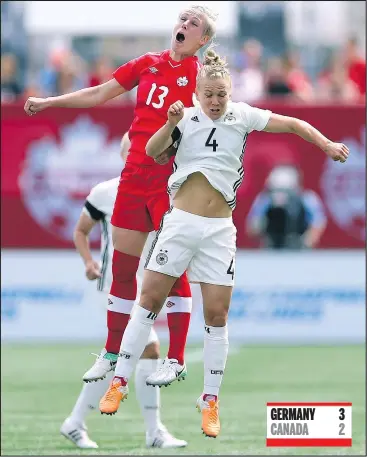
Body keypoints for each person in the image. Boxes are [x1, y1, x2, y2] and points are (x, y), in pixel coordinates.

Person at [98, 49, 349, 438]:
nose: (215, 101)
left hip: (219, 230)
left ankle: (210, 401)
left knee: (217, 315)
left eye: (221, 94)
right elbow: (150, 151)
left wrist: (328, 144)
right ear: (198, 92)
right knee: (148, 300)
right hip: (180, 222)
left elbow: (295, 123)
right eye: (209, 94)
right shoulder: (185, 116)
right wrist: (170, 124)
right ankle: (119, 382)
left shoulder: (243, 115)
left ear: (230, 93)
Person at [24, 5, 218, 388]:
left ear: (203, 39)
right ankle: (111, 352)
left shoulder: (201, 76)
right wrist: (50, 102)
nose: (183, 25)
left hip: (169, 179)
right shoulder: (147, 63)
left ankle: (176, 359)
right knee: (123, 270)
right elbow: (99, 93)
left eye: (193, 24)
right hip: (134, 176)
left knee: (170, 267)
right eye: (182, 20)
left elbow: (215, 122)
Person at [61, 132, 187, 449]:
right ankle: (152, 431)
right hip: (115, 289)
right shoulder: (106, 192)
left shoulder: (164, 190)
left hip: (143, 287)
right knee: (144, 350)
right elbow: (81, 230)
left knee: (124, 355)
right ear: (125, 155)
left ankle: (77, 422)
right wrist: (89, 262)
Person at [246, 164, 327, 249]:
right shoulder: (264, 199)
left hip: (299, 249)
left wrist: (306, 241)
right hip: (271, 249)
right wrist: (261, 225)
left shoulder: (308, 199)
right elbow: (251, 229)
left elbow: (318, 223)